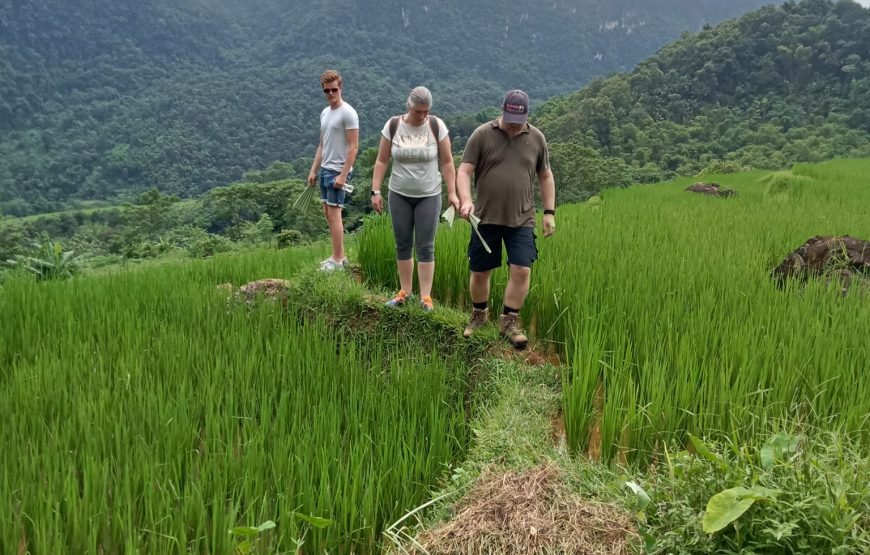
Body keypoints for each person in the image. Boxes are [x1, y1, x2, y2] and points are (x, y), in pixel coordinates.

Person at [456, 89, 556, 349]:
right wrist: (466, 200)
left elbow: (545, 176)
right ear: (502, 111)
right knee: (480, 271)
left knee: (522, 270)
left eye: (518, 119)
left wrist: (549, 212)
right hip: (486, 216)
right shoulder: (482, 134)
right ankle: (479, 315)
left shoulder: (536, 138)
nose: (513, 124)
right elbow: (465, 171)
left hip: (522, 218)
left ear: (526, 115)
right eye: (509, 118)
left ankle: (509, 321)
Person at [370, 86, 459, 311]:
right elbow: (382, 160)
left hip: (429, 194)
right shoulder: (393, 126)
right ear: (409, 106)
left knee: (426, 246)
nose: (422, 115)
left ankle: (426, 297)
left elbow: (447, 162)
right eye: (418, 111)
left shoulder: (436, 126)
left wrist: (452, 193)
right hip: (399, 193)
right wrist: (376, 191)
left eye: (426, 111)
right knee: (402, 243)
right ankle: (405, 292)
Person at [307, 69, 360, 271]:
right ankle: (338, 255)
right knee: (328, 213)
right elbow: (322, 144)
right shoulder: (325, 113)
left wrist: (343, 175)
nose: (330, 94)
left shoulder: (348, 113)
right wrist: (313, 170)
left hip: (339, 170)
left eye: (334, 90)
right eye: (327, 91)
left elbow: (354, 146)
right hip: (325, 169)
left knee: (335, 213)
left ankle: (338, 261)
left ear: (341, 88)